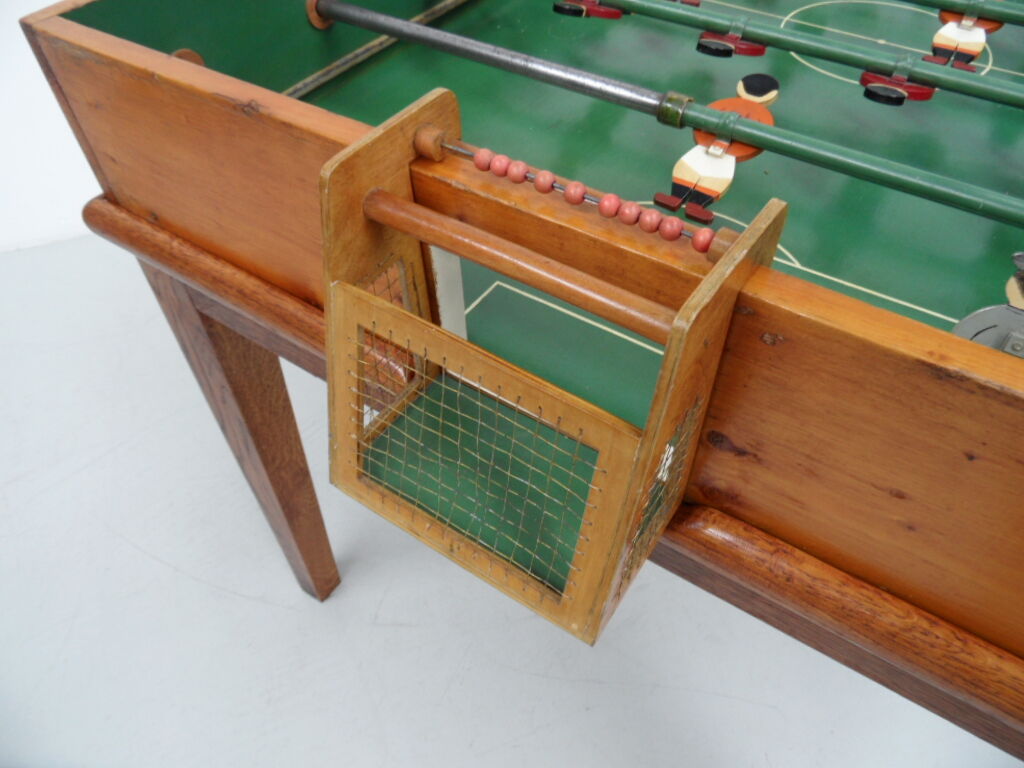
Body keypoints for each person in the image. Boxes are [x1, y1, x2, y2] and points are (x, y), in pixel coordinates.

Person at [655, 73, 779, 224]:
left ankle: (696, 205)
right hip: (709, 145)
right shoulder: (755, 113)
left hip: (725, 151)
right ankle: (675, 197)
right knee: (691, 169)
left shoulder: (754, 112)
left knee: (713, 176)